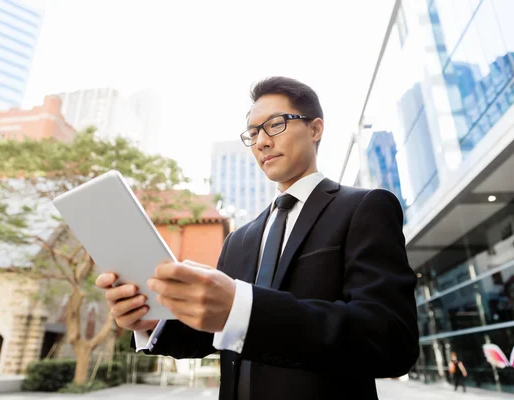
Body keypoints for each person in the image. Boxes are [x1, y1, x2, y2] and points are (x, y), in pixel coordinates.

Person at [96, 76, 420, 399]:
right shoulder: (238, 239)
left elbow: (389, 340)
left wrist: (244, 309)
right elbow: (214, 335)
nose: (261, 141)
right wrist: (154, 321)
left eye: (274, 125)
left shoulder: (364, 207)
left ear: (316, 129)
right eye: (253, 133)